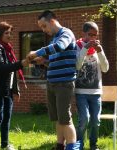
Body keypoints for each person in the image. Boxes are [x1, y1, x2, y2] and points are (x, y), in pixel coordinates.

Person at [27, 10, 80, 150]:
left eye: (44, 26)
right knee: (58, 118)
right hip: (52, 83)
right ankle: (59, 145)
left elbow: (59, 47)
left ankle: (71, 147)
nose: (43, 30)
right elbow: (56, 59)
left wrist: (37, 52)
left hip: (64, 83)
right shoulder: (54, 39)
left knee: (65, 119)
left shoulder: (66, 34)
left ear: (52, 21)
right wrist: (43, 61)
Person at [0, 21, 28, 150]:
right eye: (6, 33)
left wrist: (16, 89)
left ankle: (5, 143)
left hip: (6, 89)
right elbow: (2, 68)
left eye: (10, 32)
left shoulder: (8, 48)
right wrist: (21, 63)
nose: (9, 35)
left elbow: (12, 72)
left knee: (7, 117)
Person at [75, 21, 109, 150]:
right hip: (81, 91)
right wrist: (85, 48)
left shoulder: (98, 48)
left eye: (95, 35)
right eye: (90, 34)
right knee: (84, 119)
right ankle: (79, 144)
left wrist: (100, 52)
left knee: (95, 121)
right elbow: (77, 66)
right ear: (83, 33)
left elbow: (105, 69)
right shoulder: (77, 46)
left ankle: (93, 144)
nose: (93, 38)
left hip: (96, 92)